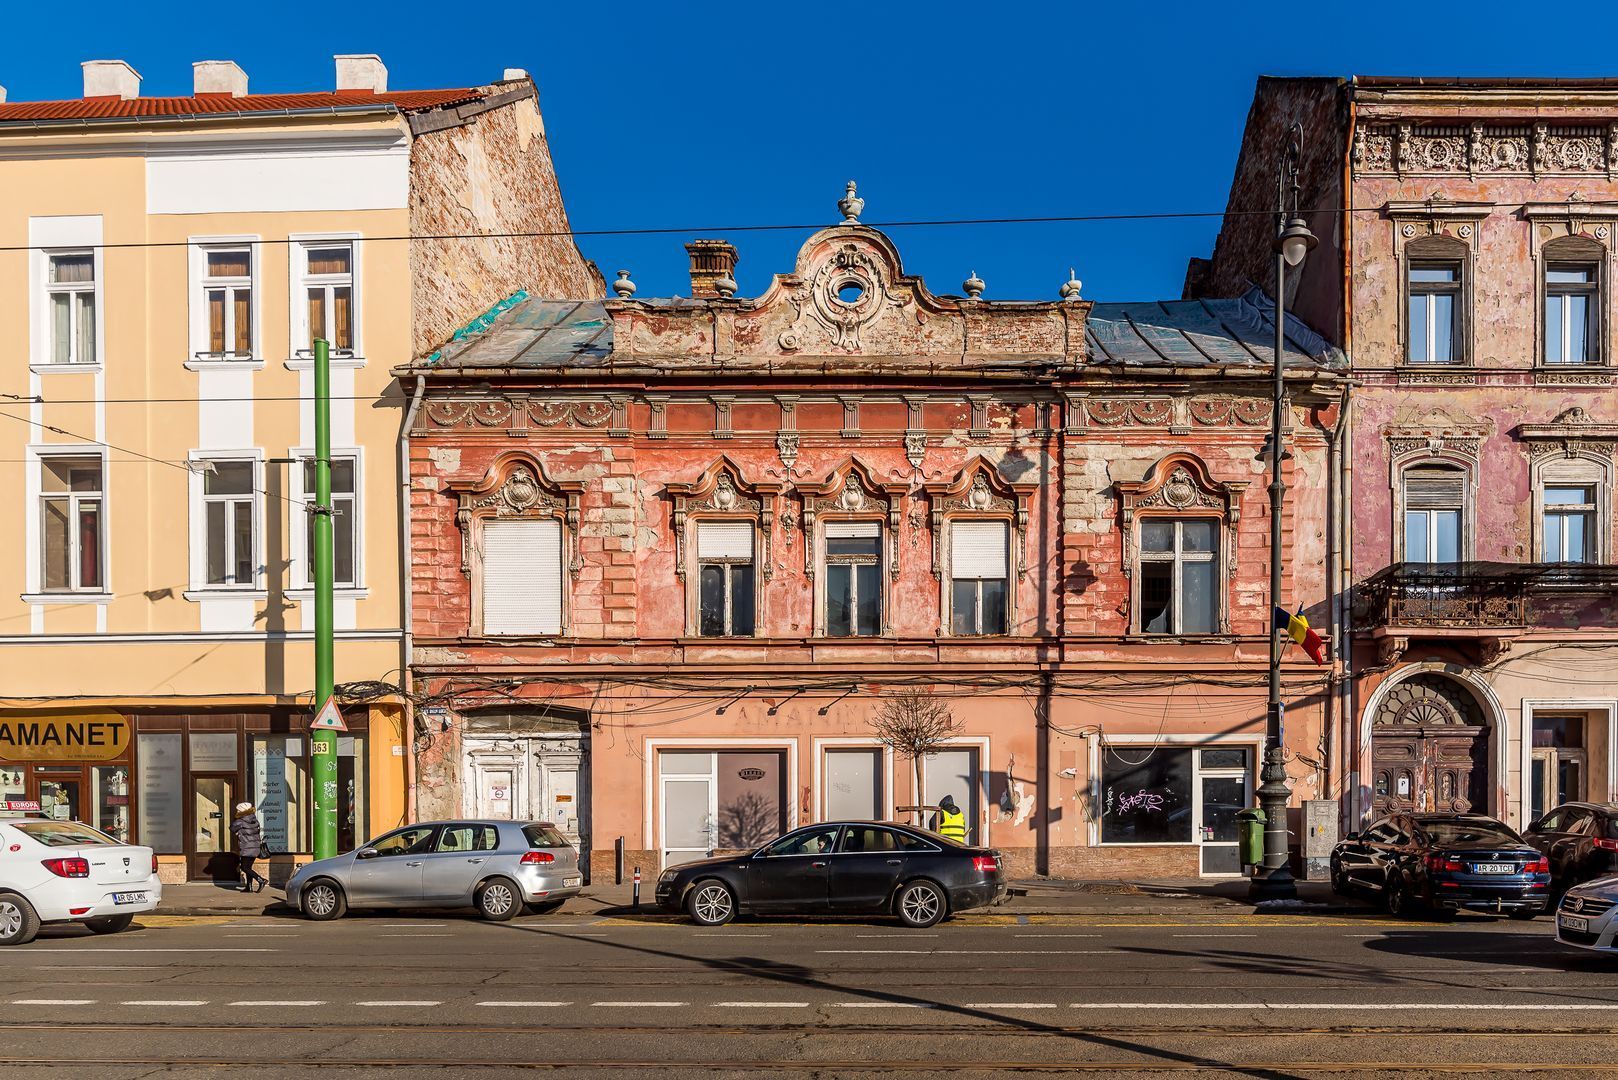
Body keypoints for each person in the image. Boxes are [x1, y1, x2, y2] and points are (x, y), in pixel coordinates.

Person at [231, 801, 268, 893]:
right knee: (248, 867)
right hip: (256, 847)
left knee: (244, 867)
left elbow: (232, 828)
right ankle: (249, 887)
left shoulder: (240, 822)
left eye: (238, 810)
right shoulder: (255, 820)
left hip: (247, 847)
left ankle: (261, 880)